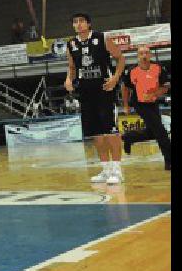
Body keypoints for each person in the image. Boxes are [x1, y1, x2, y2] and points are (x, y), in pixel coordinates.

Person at [63, 13, 126, 185]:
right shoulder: (71, 44)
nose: (78, 24)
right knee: (96, 134)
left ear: (89, 24)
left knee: (110, 131)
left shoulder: (102, 37)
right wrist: (69, 78)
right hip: (86, 92)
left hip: (104, 90)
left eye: (82, 21)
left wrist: (115, 79)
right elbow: (72, 67)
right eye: (75, 22)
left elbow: (120, 58)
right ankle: (106, 170)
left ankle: (117, 170)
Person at [120, 46, 171, 170]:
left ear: (150, 55)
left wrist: (154, 94)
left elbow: (165, 86)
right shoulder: (131, 71)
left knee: (154, 132)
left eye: (146, 53)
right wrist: (126, 106)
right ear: (137, 56)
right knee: (161, 131)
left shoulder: (158, 68)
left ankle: (129, 137)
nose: (144, 55)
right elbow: (125, 88)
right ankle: (169, 161)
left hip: (153, 103)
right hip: (139, 104)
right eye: (141, 53)